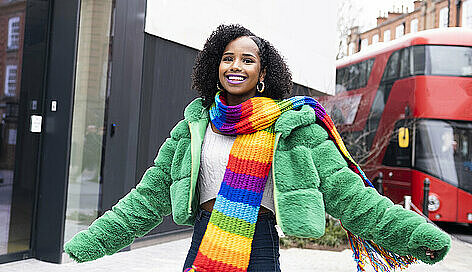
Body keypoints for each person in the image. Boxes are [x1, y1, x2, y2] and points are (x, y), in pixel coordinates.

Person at [64, 24, 450, 271]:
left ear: (263, 73)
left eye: (247, 59)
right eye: (227, 57)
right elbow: (148, 198)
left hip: (260, 248)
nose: (235, 65)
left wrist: (415, 234)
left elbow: (351, 197)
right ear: (215, 66)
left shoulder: (293, 127)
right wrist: (95, 241)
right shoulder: (194, 126)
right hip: (203, 244)